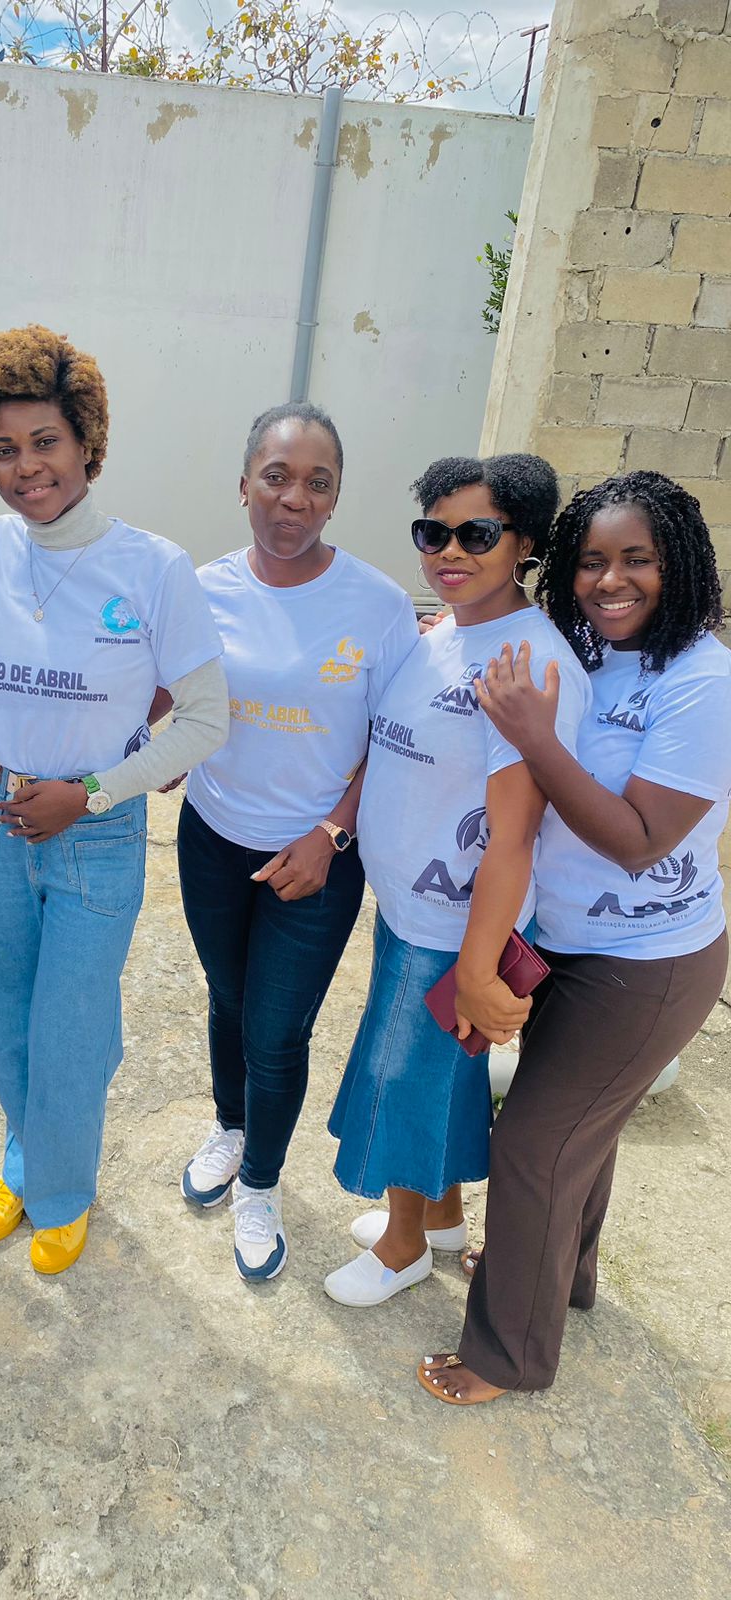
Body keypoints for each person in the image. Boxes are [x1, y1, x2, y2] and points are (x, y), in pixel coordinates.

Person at [418, 471, 730, 1403]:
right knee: (579, 1135)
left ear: (679, 563)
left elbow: (638, 841)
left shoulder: (704, 682)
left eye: (637, 559)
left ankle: (506, 1358)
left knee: (532, 1145)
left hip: (648, 964)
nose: (610, 581)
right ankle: (563, 1278)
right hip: (564, 939)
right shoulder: (591, 649)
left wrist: (536, 737)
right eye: (592, 561)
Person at [0, 324, 228, 1273]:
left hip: (95, 832)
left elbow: (205, 719)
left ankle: (63, 1190)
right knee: (0, 1004)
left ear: (87, 441)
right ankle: (28, 1157)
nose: (27, 467)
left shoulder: (153, 568)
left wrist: (94, 792)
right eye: (3, 449)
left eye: (46, 442)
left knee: (70, 1023)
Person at [323, 453, 591, 1307]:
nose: (449, 551)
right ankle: (440, 1219)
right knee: (441, 1071)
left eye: (476, 534)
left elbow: (514, 837)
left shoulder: (525, 663)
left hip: (457, 925)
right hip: (409, 909)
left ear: (523, 543)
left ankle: (402, 1247)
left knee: (401, 1075)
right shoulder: (445, 632)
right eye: (432, 533)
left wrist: (478, 966)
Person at [175, 402, 419, 1280]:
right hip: (212, 837)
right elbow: (178, 693)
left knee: (276, 1030)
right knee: (227, 998)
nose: (294, 499)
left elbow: (393, 740)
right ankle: (232, 1127)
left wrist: (332, 832)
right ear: (244, 485)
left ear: (336, 497)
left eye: (318, 483)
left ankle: (262, 1184)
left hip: (316, 860)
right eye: (276, 477)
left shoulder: (380, 606)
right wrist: (164, 750)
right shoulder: (201, 589)